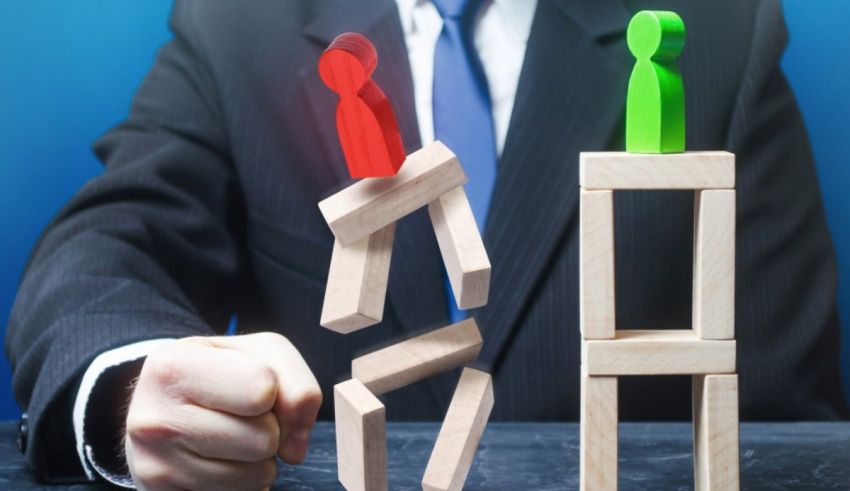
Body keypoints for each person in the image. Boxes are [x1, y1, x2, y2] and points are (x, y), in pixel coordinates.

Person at [5, 0, 847, 488]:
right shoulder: (239, 27)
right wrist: (126, 382)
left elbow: (786, 423)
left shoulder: (719, 29)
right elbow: (107, 246)